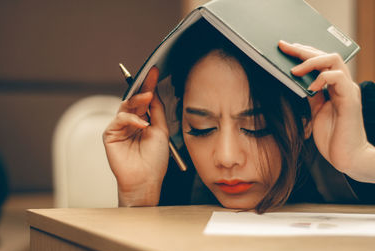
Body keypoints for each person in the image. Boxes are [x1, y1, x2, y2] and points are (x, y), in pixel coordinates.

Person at [103, 19, 375, 213]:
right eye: (202, 128)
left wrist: (360, 158)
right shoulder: (171, 161)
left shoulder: (359, 115)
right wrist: (138, 199)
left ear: (306, 118)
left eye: (256, 127)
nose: (226, 158)